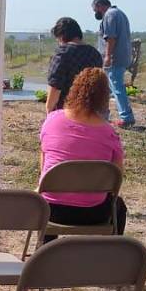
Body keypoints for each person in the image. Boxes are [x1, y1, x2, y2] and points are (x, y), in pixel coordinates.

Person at [39, 68, 128, 238]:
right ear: (104, 97)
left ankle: (45, 250)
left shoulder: (51, 121)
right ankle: (109, 252)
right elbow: (116, 180)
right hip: (93, 213)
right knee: (119, 208)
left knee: (47, 197)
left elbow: (44, 167)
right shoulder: (110, 134)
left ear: (74, 89)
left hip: (51, 211)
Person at [92, 0, 136, 127]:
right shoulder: (119, 13)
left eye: (95, 9)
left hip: (115, 58)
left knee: (117, 87)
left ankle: (126, 117)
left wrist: (108, 56)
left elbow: (111, 38)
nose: (95, 13)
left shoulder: (109, 15)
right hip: (122, 56)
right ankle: (103, 114)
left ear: (99, 6)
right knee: (110, 87)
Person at [45, 16, 103, 113]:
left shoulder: (62, 54)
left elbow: (55, 86)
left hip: (66, 111)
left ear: (61, 36)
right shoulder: (94, 53)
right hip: (90, 111)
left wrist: (49, 111)